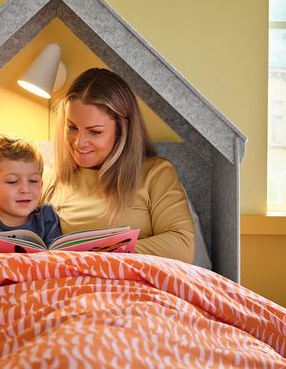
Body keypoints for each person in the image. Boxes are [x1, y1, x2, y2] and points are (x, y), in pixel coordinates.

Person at [42, 68, 195, 263]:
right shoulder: (49, 179)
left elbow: (182, 247)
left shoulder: (155, 173)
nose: (79, 142)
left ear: (122, 131)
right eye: (72, 128)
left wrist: (97, 254)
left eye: (95, 132)